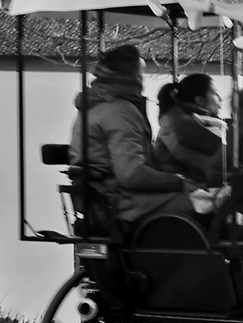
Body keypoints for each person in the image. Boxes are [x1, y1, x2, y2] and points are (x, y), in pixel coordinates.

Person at [68, 44, 198, 224]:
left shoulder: (91, 108)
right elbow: (131, 174)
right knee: (203, 203)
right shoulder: (119, 111)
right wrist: (178, 181)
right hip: (120, 203)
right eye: (141, 72)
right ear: (132, 75)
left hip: (99, 199)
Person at [155, 73, 227, 187]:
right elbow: (218, 165)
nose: (220, 99)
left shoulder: (183, 120)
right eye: (215, 93)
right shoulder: (183, 124)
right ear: (200, 100)